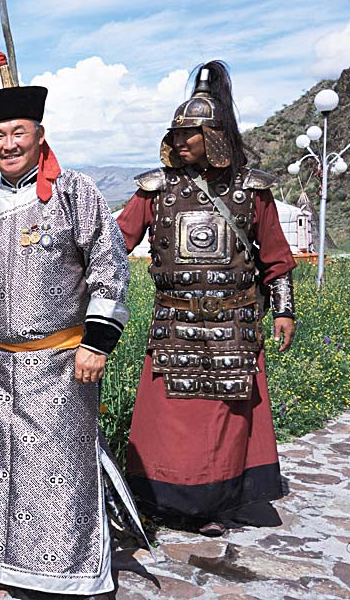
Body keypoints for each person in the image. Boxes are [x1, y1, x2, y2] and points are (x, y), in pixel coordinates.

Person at [0, 53, 147, 596]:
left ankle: (62, 570)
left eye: (18, 133)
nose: (8, 144)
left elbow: (109, 269)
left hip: (61, 365)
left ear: (39, 134)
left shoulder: (75, 194)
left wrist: (97, 343)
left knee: (56, 473)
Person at [117, 61, 295, 536]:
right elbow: (115, 242)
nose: (179, 142)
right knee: (171, 419)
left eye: (188, 134)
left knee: (225, 419)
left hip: (232, 325)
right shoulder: (156, 190)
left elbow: (276, 257)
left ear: (212, 136)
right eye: (175, 134)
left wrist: (284, 311)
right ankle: (166, 501)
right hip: (174, 324)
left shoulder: (251, 190)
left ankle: (217, 503)